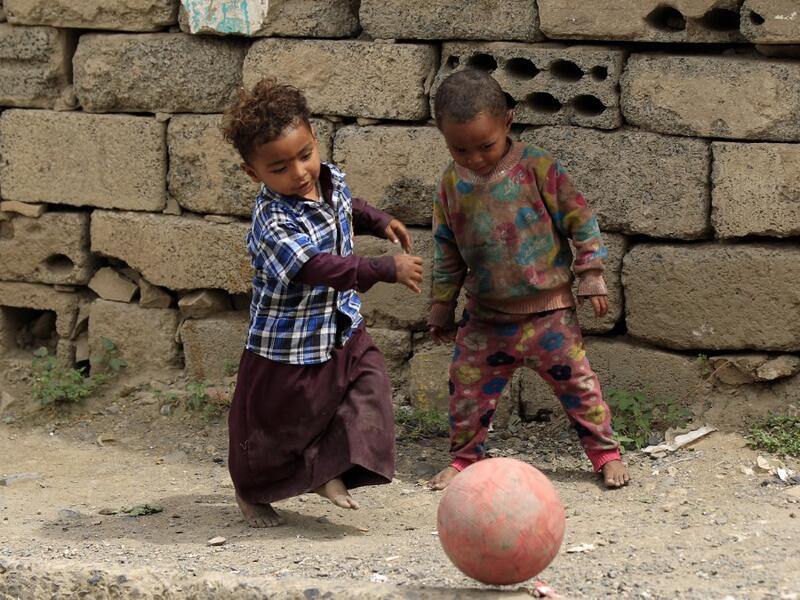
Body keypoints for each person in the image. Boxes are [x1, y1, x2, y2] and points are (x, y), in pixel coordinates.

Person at [222, 78, 424, 527]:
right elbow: (317, 268)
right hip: (287, 347)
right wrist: (382, 268)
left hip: (342, 328)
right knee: (277, 428)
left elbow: (346, 206)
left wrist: (380, 219)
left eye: (305, 154)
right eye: (279, 168)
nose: (299, 173)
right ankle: (253, 491)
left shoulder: (325, 179)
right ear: (254, 174)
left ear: (315, 139)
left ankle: (327, 471)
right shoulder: (272, 221)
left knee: (370, 395)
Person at [427, 69, 630, 490]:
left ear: (508, 122)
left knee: (578, 385)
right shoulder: (450, 183)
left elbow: (580, 219)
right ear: (442, 136)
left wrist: (591, 272)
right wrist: (442, 305)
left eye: (485, 146)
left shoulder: (538, 167)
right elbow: (446, 249)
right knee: (467, 390)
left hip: (549, 314)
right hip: (485, 317)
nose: (475, 158)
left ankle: (604, 453)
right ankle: (465, 459)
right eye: (459, 149)